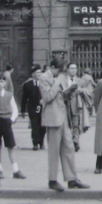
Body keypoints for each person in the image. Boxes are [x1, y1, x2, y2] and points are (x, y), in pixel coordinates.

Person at [39, 58, 89, 191]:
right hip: (52, 119)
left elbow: (61, 97)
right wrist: (58, 84)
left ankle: (72, 179)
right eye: (59, 71)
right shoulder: (44, 78)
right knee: (54, 151)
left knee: (69, 148)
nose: (61, 74)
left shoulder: (59, 78)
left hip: (63, 118)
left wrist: (69, 92)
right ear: (52, 67)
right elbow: (47, 97)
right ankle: (52, 180)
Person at [0, 71, 25, 180]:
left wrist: (11, 120)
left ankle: (15, 170)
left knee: (10, 146)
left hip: (6, 121)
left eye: (2, 81)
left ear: (5, 83)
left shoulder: (9, 95)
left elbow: (15, 109)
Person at [21, 64, 46, 150]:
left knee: (42, 126)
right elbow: (24, 98)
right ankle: (35, 143)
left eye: (40, 72)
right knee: (34, 125)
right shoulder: (27, 85)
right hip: (32, 107)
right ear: (33, 74)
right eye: (37, 72)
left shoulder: (44, 83)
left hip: (42, 107)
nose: (39, 74)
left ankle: (41, 142)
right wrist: (23, 110)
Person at [63, 63, 85, 152]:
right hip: (66, 105)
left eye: (75, 68)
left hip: (76, 105)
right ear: (68, 70)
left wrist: (81, 91)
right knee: (67, 125)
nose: (73, 70)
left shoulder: (80, 81)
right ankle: (68, 142)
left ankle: (75, 141)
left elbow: (87, 93)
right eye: (71, 68)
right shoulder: (63, 80)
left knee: (76, 124)